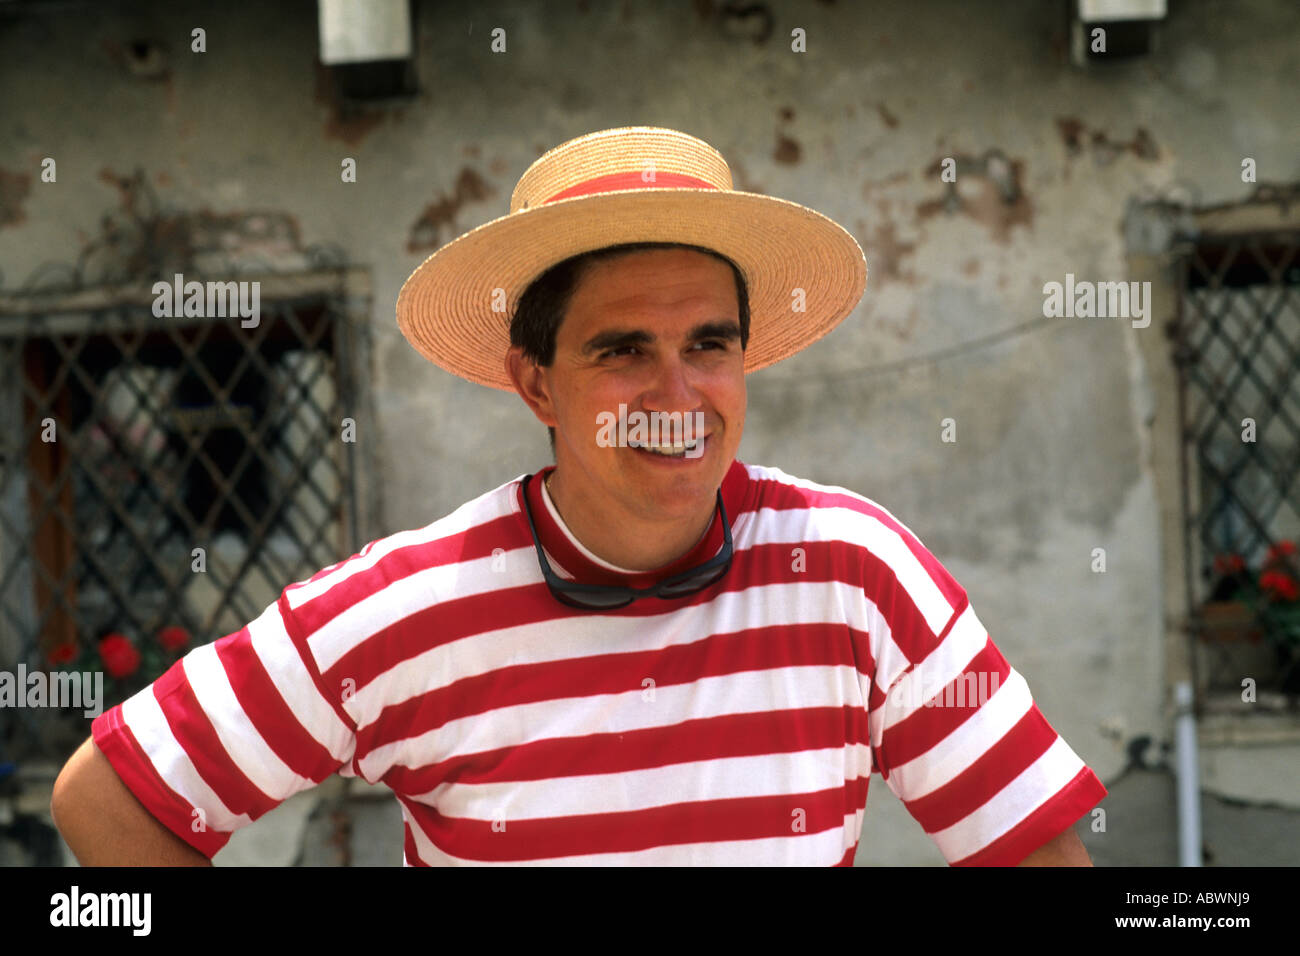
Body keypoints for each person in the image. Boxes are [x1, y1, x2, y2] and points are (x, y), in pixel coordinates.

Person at [51, 126, 1105, 866]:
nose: (676, 391)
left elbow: (1033, 847)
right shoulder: (413, 606)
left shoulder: (853, 572)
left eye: (709, 343)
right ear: (536, 382)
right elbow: (111, 797)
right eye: (622, 349)